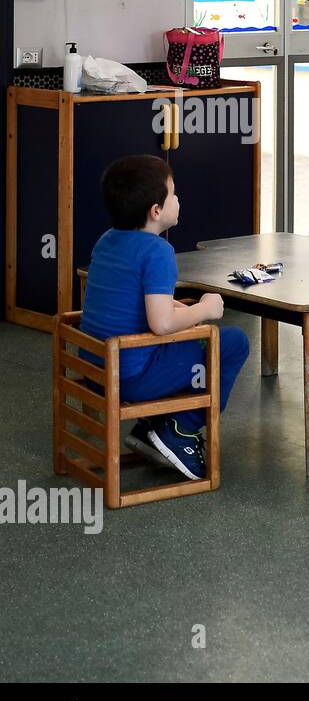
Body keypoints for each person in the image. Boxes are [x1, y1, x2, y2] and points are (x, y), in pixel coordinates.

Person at [81, 155, 249, 479]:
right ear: (156, 211)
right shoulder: (158, 252)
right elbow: (160, 324)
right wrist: (205, 309)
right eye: (173, 194)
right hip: (130, 377)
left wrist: (181, 309)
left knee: (191, 342)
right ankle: (180, 428)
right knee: (232, 342)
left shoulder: (107, 240)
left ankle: (154, 428)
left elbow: (132, 302)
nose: (178, 199)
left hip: (95, 368)